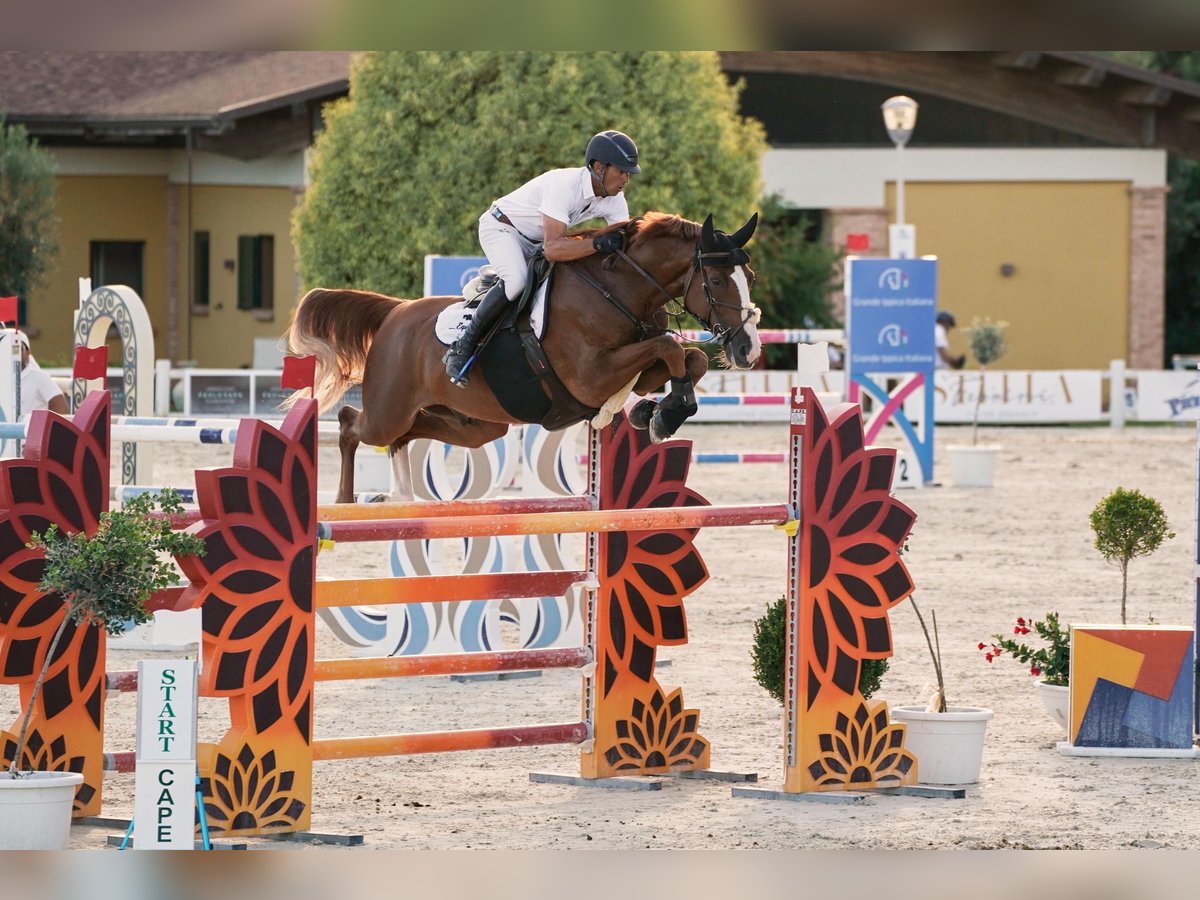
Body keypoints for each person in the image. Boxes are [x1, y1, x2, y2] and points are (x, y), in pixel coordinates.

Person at [443, 130, 641, 386]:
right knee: (516, 281)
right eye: (622, 171)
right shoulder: (564, 186)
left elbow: (623, 246)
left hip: (536, 242)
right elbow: (554, 249)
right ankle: (461, 347)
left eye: (628, 173)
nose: (626, 178)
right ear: (599, 167)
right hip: (502, 228)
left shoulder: (614, 198)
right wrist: (597, 243)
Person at [14, 330, 68, 416]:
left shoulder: (38, 377)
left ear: (28, 352)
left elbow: (60, 406)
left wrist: (45, 427)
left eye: (18, 348)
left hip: (28, 428)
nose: (14, 352)